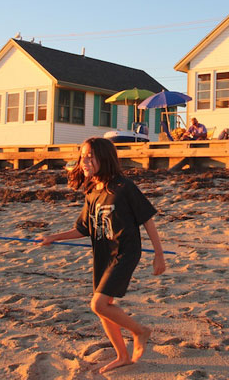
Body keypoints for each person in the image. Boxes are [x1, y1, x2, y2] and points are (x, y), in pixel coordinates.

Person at [37, 137, 166, 373]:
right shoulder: (92, 191)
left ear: (104, 158)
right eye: (82, 156)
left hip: (125, 252)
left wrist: (159, 254)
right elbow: (83, 228)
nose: (84, 161)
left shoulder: (124, 187)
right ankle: (122, 356)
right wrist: (53, 237)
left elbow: (147, 218)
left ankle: (140, 331)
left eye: (90, 156)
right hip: (103, 255)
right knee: (104, 307)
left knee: (98, 304)